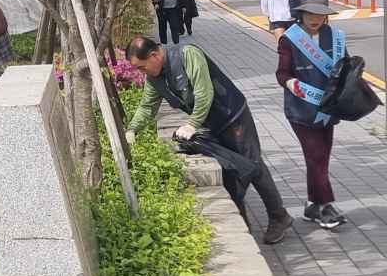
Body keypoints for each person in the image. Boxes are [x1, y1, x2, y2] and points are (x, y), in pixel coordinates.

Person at [124, 36, 293, 244]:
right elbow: (148, 106)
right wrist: (132, 129)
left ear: (153, 55)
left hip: (232, 116)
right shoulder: (154, 77)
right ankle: (243, 226)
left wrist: (192, 124)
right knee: (229, 171)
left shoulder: (187, 55)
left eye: (142, 67)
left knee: (254, 164)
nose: (142, 73)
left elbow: (204, 92)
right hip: (210, 124)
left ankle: (279, 215)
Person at [275, 0, 348, 230]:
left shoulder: (335, 37)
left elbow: (344, 67)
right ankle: (326, 206)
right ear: (301, 14)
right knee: (315, 155)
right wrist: (290, 83)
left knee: (320, 159)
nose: (315, 19)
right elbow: (282, 72)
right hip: (301, 109)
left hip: (328, 109)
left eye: (320, 14)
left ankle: (312, 205)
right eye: (310, 13)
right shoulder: (289, 39)